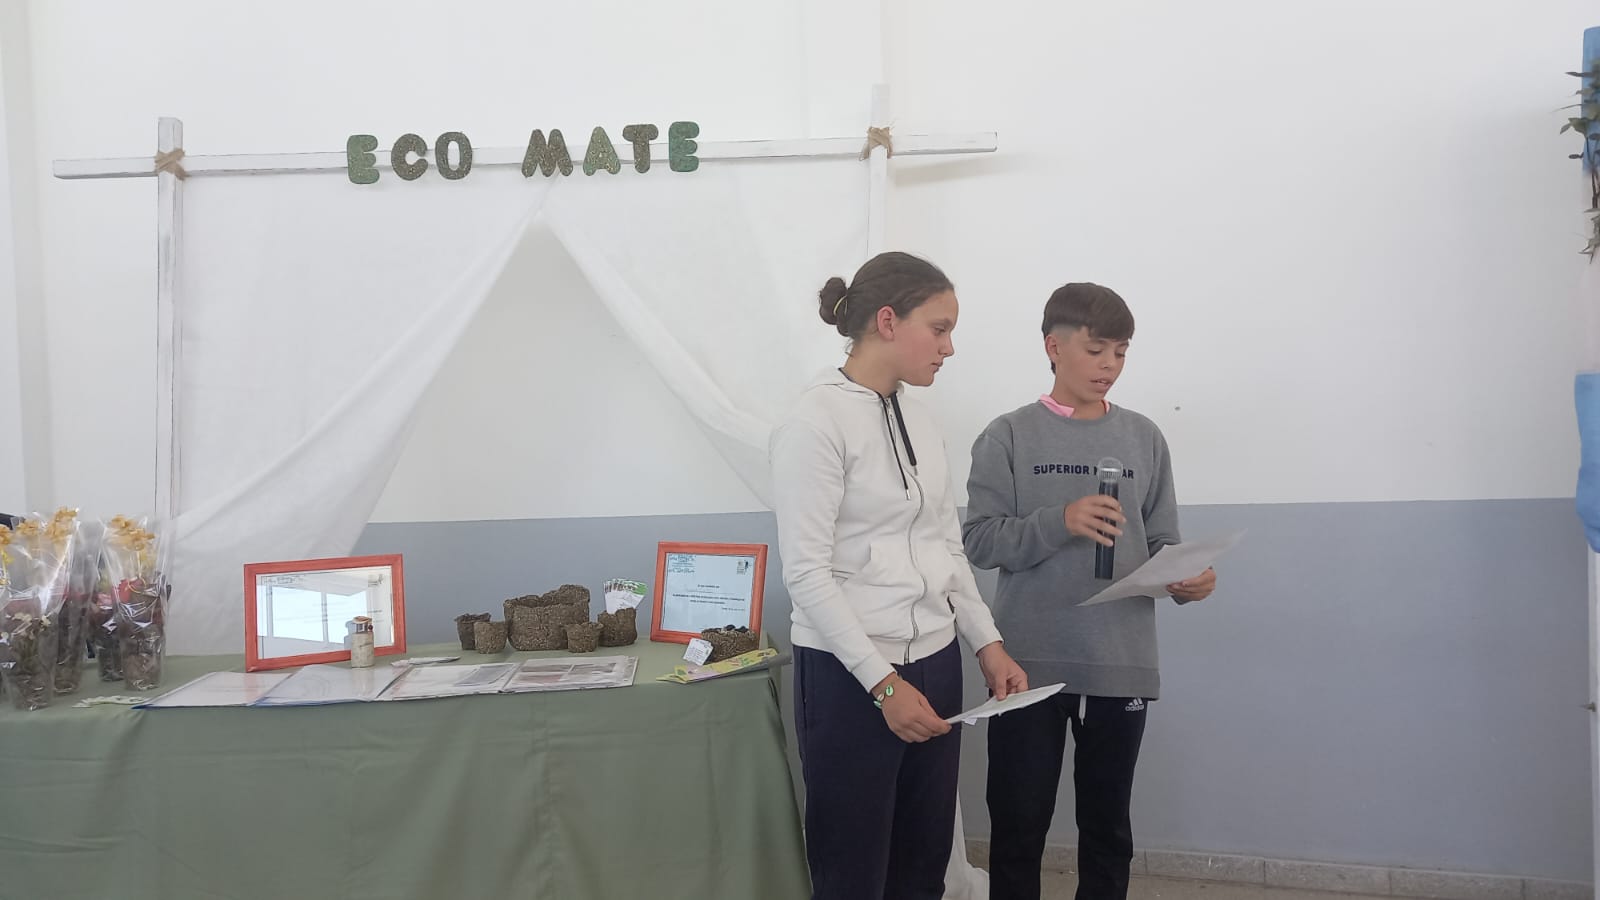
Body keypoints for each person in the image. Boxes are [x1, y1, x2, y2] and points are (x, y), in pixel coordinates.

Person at [770, 251, 1028, 900]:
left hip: (936, 662)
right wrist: (884, 686)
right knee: (853, 869)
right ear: (887, 321)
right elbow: (807, 573)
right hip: (850, 673)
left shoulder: (920, 419)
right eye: (939, 328)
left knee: (923, 862)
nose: (949, 347)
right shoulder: (814, 422)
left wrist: (987, 643)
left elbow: (946, 547)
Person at [962, 283, 1217, 900]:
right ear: (1054, 347)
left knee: (1108, 829)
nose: (1109, 366)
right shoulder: (1008, 436)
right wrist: (1061, 521)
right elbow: (979, 541)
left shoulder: (1144, 438)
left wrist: (1187, 580)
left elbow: (1162, 542)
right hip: (1026, 665)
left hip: (1119, 661)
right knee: (1018, 825)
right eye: (1096, 350)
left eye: (1121, 353)